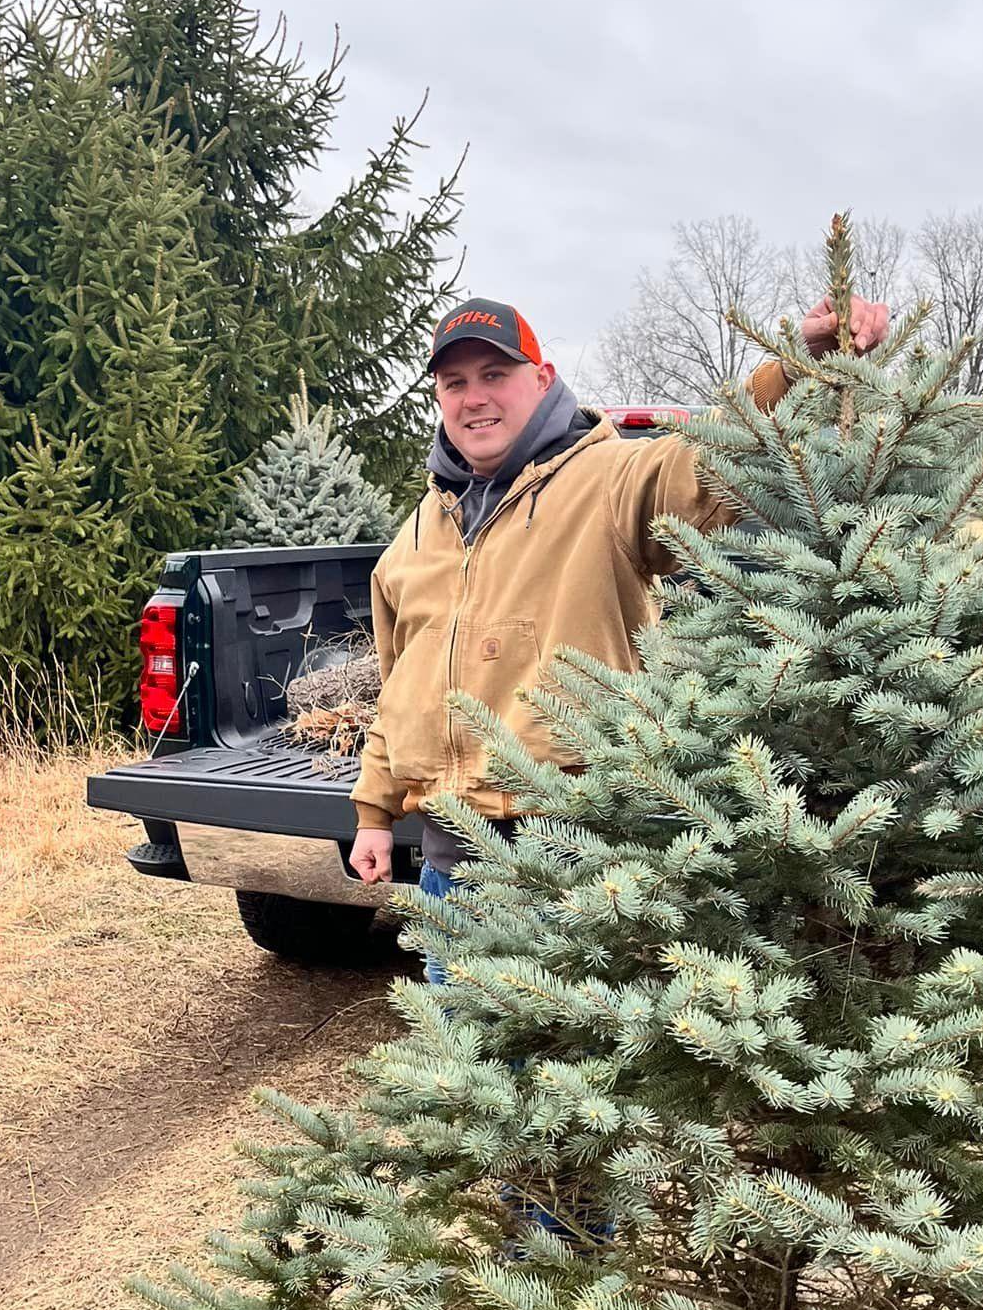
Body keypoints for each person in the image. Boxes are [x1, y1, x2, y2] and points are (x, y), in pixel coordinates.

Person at [346, 288, 892, 908]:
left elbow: (709, 455)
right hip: (451, 876)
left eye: (494, 374)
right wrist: (373, 813)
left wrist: (792, 364)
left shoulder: (610, 478)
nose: (474, 398)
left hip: (577, 871)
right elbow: (401, 689)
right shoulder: (418, 533)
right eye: (454, 382)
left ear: (541, 378)